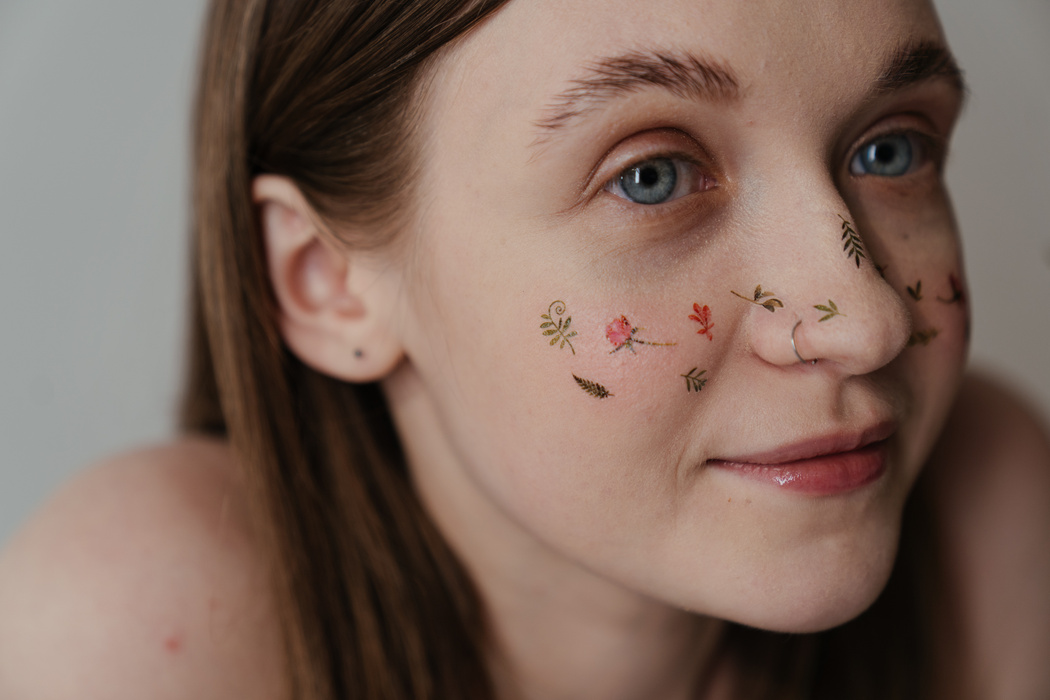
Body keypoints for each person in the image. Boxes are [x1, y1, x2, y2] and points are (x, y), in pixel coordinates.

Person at [1, 0, 1048, 697]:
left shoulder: (991, 517)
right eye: (652, 176)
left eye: (892, 149)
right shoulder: (144, 629)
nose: (863, 322)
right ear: (329, 284)